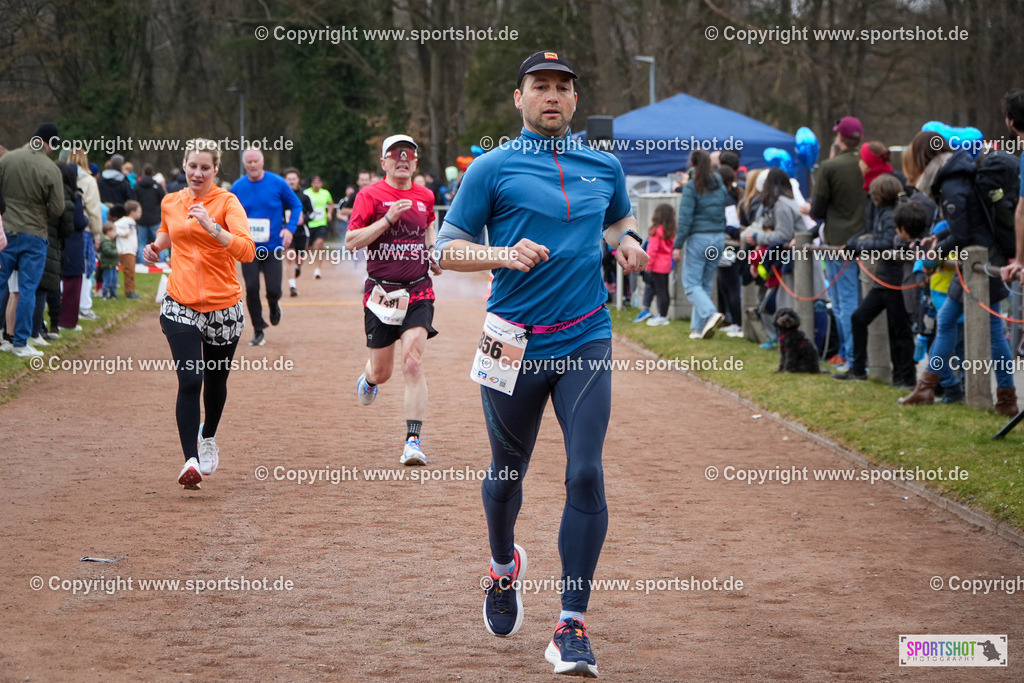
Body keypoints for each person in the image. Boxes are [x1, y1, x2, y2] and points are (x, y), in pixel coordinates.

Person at [436, 50, 648, 678]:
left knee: (585, 474)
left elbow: (616, 221)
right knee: (507, 471)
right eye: (539, 86)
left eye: (562, 87)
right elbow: (446, 249)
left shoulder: (603, 165)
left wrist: (629, 241)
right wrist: (501, 254)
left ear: (575, 100)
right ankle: (503, 567)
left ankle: (571, 625)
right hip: (511, 341)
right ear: (519, 98)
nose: (551, 95)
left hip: (586, 336)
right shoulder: (492, 168)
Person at [142, 139, 255, 489]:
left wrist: (213, 227)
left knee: (216, 382)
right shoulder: (171, 201)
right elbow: (168, 230)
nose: (197, 173)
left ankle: (208, 437)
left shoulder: (227, 202)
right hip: (181, 303)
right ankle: (190, 459)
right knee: (191, 379)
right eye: (193, 166)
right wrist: (156, 247)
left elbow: (247, 251)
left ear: (215, 170)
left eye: (205, 168)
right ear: (185, 165)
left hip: (224, 306)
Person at [898, 131, 1017, 414]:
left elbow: (964, 232)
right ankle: (927, 387)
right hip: (980, 257)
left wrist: (936, 252)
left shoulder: (951, 183)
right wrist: (938, 239)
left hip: (982, 260)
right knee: (951, 319)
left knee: (989, 330)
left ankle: (1005, 398)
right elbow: (967, 221)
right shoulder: (955, 176)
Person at [346, 134, 441, 466]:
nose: (403, 158)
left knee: (412, 362)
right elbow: (351, 242)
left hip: (419, 289)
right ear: (383, 162)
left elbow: (430, 224)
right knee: (383, 371)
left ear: (415, 163)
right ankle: (369, 378)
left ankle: (412, 440)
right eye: (395, 154)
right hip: (381, 293)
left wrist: (432, 253)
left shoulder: (426, 195)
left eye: (409, 155)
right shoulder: (369, 196)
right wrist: (387, 220)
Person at [834, 175, 921, 385]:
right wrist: (854, 243)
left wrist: (859, 247)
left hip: (893, 282)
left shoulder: (891, 214)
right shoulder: (882, 213)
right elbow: (873, 235)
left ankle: (905, 377)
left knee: (900, 331)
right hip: (883, 281)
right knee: (859, 318)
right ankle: (860, 368)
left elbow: (885, 243)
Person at [0, 123, 65, 358]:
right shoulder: (50, 168)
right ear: (51, 143)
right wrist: (40, 213)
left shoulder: (7, 159)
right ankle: (20, 342)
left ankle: (4, 337)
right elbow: (58, 207)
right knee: (27, 289)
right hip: (34, 234)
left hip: (5, 231)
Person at [806, 116, 865, 371]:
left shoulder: (830, 167)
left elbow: (816, 211)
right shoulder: (866, 164)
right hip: (866, 241)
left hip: (837, 242)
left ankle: (852, 356)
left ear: (840, 138)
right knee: (851, 299)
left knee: (843, 301)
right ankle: (853, 355)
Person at [230, 148, 301, 346]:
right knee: (251, 287)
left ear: (262, 162)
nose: (253, 165)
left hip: (272, 248)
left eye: (256, 161)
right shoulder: (237, 187)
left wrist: (290, 229)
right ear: (245, 164)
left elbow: (296, 205)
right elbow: (226, 211)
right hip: (248, 248)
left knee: (274, 289)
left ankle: (273, 304)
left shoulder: (277, 183)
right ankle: (258, 328)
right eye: (249, 162)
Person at [672, 149, 728, 339]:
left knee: (691, 284)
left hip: (699, 239)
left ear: (692, 164)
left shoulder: (692, 186)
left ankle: (711, 314)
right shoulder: (719, 183)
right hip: (719, 238)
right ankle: (698, 329)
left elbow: (685, 218)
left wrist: (678, 245)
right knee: (703, 284)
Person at [67, 149, 103, 322]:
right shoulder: (89, 181)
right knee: (86, 269)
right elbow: (94, 209)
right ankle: (84, 307)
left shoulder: (62, 176)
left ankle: (66, 305)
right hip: (85, 230)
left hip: (65, 228)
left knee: (65, 269)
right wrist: (97, 233)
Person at [633, 203, 675, 325]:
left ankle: (661, 316)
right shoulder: (670, 231)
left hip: (656, 266)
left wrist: (648, 266)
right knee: (664, 291)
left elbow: (652, 250)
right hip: (666, 266)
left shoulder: (656, 231)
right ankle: (663, 315)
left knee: (659, 291)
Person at [283, 168, 314, 297]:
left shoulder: (304, 197)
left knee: (299, 258)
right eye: (289, 179)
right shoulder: (281, 196)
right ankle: (292, 286)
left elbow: (312, 213)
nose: (291, 181)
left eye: (293, 179)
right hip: (286, 231)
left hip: (301, 232)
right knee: (290, 255)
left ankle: (298, 268)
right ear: (285, 180)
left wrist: (304, 219)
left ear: (298, 180)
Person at [303, 175, 333, 280]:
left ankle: (318, 269)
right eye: (315, 182)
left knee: (319, 244)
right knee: (308, 248)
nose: (317, 184)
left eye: (318, 182)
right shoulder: (306, 193)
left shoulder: (325, 193)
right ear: (312, 184)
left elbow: (331, 203)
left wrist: (329, 213)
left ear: (321, 184)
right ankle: (303, 266)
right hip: (309, 224)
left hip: (321, 223)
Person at [135, 164, 166, 262]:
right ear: (153, 173)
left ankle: (142, 262)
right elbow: (163, 199)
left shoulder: (137, 186)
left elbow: (134, 200)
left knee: (142, 242)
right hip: (155, 218)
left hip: (141, 218)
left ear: (143, 173)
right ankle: (162, 261)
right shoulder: (156, 185)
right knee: (159, 242)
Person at [115, 200, 142, 299]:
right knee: (129, 271)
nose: (140, 214)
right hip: (126, 250)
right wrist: (122, 233)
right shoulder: (125, 220)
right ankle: (129, 292)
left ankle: (131, 290)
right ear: (132, 211)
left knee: (131, 271)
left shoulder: (132, 222)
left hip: (131, 250)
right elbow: (114, 227)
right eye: (139, 211)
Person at [99, 222, 120, 299]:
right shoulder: (105, 241)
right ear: (108, 232)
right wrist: (117, 252)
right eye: (114, 231)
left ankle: (113, 294)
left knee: (114, 280)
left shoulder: (111, 241)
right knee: (107, 281)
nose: (115, 233)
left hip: (113, 265)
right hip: (108, 265)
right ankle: (105, 294)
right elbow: (108, 251)